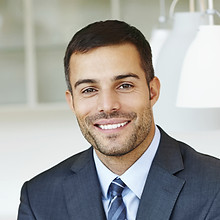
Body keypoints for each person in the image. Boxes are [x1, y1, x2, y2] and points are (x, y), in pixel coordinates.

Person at [18, 20, 220, 220]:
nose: (107, 105)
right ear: (72, 102)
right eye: (89, 90)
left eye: (124, 85)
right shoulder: (38, 199)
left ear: (152, 91)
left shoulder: (214, 186)